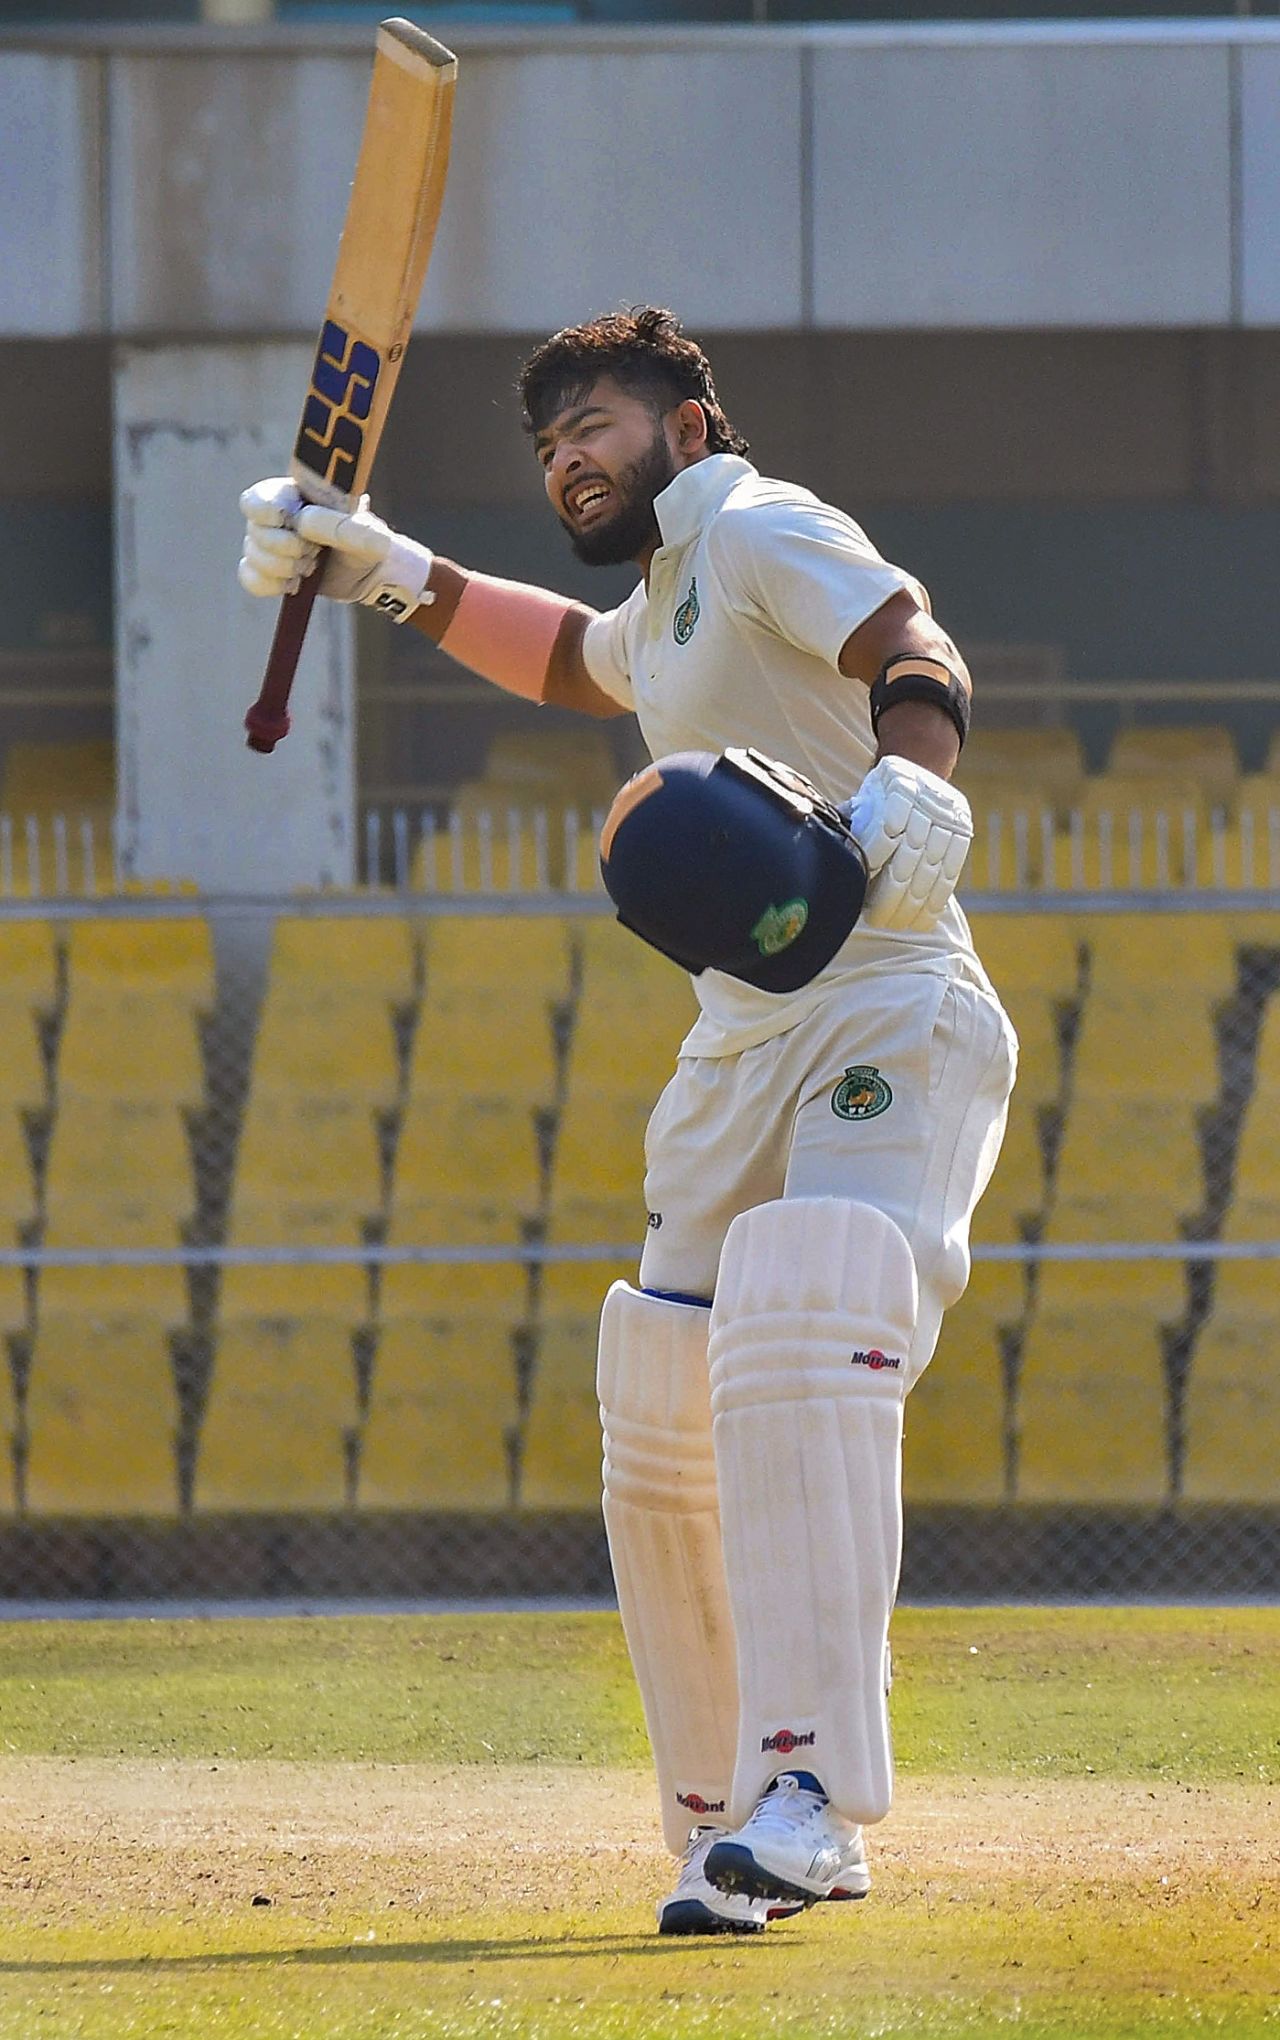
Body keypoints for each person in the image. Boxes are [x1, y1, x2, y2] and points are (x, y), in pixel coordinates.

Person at [238, 306, 1017, 1937]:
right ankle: (719, 1812)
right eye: (547, 443)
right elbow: (568, 664)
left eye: (595, 422)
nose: (569, 458)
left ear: (690, 420)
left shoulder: (750, 519)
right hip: (742, 1034)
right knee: (664, 1382)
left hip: (886, 992)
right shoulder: (663, 603)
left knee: (807, 1303)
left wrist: (919, 778)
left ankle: (812, 1799)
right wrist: (381, 567)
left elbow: (907, 635)